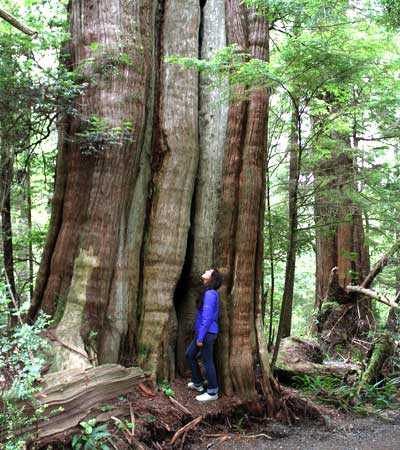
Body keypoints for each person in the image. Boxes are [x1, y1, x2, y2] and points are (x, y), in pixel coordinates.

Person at [185, 268, 222, 402]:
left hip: (207, 333)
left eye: (209, 271)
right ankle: (198, 383)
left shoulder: (211, 294)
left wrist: (200, 337)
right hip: (202, 332)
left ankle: (212, 392)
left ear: (212, 278)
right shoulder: (207, 291)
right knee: (189, 354)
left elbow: (207, 318)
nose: (206, 270)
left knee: (207, 361)